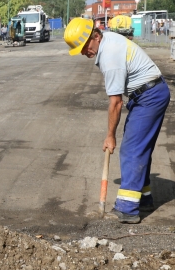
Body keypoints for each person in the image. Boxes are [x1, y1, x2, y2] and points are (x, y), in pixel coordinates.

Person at [64, 18, 170, 224]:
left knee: (132, 149)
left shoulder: (110, 56)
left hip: (149, 96)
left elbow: (115, 103)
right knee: (140, 147)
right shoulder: (108, 40)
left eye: (85, 47)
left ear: (95, 37)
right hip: (149, 93)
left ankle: (127, 208)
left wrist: (110, 136)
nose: (85, 53)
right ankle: (143, 198)